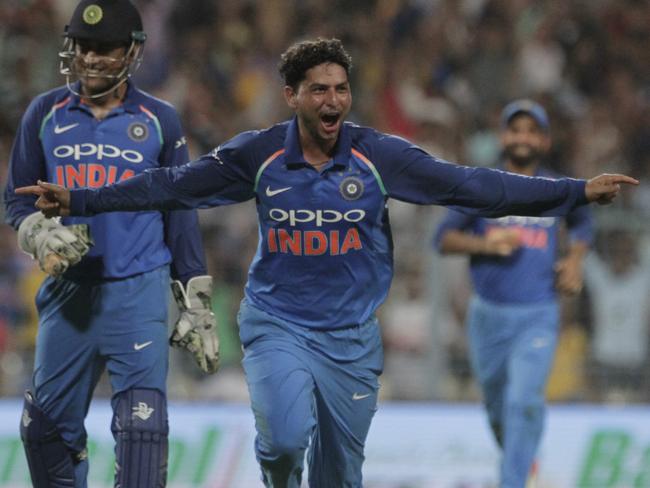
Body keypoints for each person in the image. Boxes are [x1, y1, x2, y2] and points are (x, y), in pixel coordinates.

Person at [17, 39, 637, 488]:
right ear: (292, 96)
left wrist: (574, 192)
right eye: (319, 89)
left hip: (351, 337)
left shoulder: (378, 156)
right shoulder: (257, 156)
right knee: (285, 443)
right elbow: (169, 186)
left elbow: (474, 186)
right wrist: (82, 199)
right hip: (276, 323)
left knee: (341, 478)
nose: (333, 99)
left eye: (341, 89)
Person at [3, 1, 219, 487]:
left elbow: (179, 209)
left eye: (106, 48)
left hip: (136, 291)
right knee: (43, 433)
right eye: (84, 47)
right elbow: (16, 200)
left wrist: (194, 298)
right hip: (68, 294)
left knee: (142, 433)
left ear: (132, 52)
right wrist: (37, 233)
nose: (93, 58)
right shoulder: (44, 113)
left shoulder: (160, 119)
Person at [434, 100, 593, 487]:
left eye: (531, 131)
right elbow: (443, 239)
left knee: (523, 400)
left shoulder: (556, 188)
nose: (522, 137)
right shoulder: (483, 186)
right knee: (499, 411)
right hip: (486, 316)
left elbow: (584, 222)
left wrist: (574, 261)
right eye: (515, 130)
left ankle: (513, 480)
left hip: (537, 313)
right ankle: (524, 462)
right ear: (503, 137)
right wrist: (487, 246)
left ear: (545, 140)